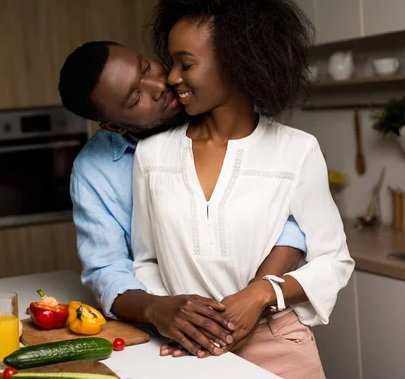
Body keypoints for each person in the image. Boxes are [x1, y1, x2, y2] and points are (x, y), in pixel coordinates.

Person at [130, 0, 355, 377]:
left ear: (236, 62)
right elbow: (146, 260)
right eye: (172, 63)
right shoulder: (152, 155)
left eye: (187, 63)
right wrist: (179, 318)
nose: (172, 78)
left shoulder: (296, 150)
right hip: (187, 352)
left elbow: (334, 259)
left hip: (278, 347)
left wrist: (260, 294)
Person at [58, 39, 308, 357]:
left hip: (269, 323)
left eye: (147, 67)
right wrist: (157, 310)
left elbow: (291, 219)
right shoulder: (94, 171)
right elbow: (106, 269)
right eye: (136, 96)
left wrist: (253, 299)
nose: (160, 85)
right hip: (174, 341)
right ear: (113, 126)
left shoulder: (224, 110)